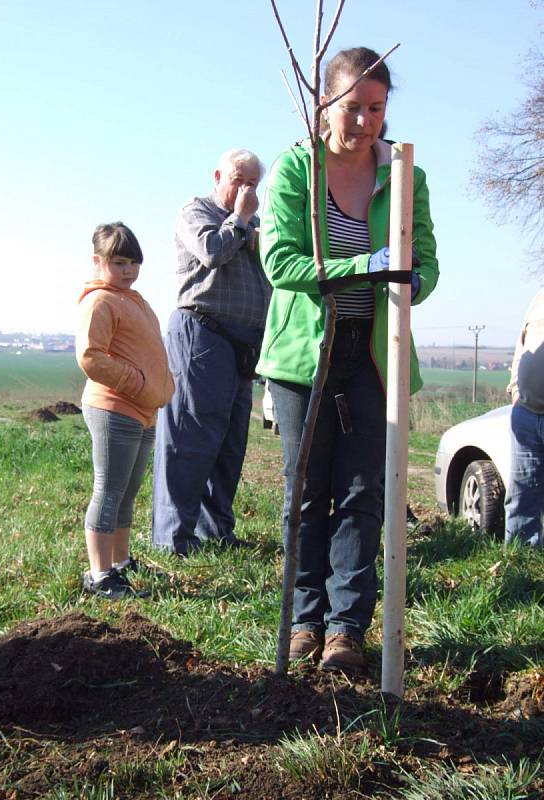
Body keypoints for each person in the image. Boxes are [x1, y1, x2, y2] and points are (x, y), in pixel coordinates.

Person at [258, 47, 438, 673]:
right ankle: (303, 620)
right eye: (353, 107)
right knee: (306, 492)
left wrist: (414, 281)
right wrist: (356, 267)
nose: (365, 121)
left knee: (365, 492)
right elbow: (280, 261)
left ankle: (345, 629)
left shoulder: (404, 172)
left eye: (377, 108)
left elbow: (428, 257)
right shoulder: (294, 171)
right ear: (325, 103)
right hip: (306, 353)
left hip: (373, 351)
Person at [152, 149, 272, 555]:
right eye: (238, 179)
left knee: (229, 443)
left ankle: (215, 532)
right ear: (218, 175)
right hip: (203, 334)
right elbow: (212, 251)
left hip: (245, 343)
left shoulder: (258, 226)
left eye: (253, 183)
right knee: (189, 439)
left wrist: (254, 232)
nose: (245, 189)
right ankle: (173, 540)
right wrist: (239, 221)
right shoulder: (196, 210)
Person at [76, 222, 175, 598]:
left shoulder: (134, 299)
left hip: (144, 409)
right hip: (115, 406)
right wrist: (137, 382)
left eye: (134, 262)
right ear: (97, 261)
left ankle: (119, 563)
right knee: (109, 489)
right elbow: (90, 357)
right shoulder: (99, 300)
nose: (128, 270)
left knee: (128, 490)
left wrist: (161, 384)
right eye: (119, 262)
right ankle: (100, 576)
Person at [504, 288, 544, 548]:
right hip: (527, 414)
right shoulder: (540, 297)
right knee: (521, 499)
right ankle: (521, 571)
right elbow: (523, 345)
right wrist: (516, 388)